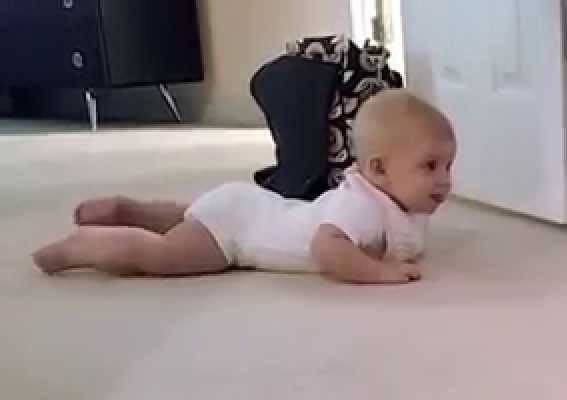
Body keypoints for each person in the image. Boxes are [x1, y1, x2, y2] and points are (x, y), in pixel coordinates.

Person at [33, 89, 455, 285]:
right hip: (237, 235)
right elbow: (328, 250)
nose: (444, 180)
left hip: (250, 207)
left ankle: (133, 211)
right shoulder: (360, 207)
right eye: (430, 166)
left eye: (448, 166)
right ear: (378, 170)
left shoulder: (393, 202)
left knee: (190, 217)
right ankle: (80, 248)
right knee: (163, 255)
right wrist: (377, 272)